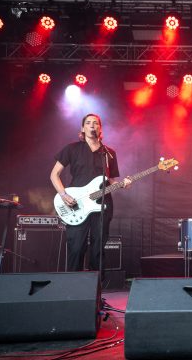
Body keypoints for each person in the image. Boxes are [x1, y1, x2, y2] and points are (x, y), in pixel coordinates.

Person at [50, 113, 131, 273]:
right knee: (76, 247)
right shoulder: (72, 149)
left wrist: (122, 184)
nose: (92, 125)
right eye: (88, 123)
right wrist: (64, 195)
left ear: (100, 128)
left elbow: (111, 180)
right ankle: (73, 292)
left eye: (96, 123)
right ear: (82, 128)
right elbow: (54, 174)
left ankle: (96, 293)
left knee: (98, 249)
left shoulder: (108, 153)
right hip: (76, 203)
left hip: (102, 205)